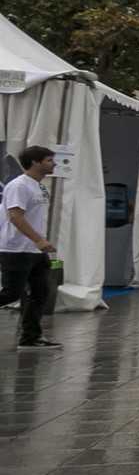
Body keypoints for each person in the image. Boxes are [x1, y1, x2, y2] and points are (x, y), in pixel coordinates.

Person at [1, 146, 60, 351]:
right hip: (16, 249)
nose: (54, 164)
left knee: (40, 292)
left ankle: (30, 338)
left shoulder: (41, 187)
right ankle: (30, 337)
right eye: (49, 160)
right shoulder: (19, 186)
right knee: (11, 293)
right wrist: (38, 240)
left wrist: (40, 243)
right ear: (35, 162)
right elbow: (15, 216)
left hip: (34, 251)